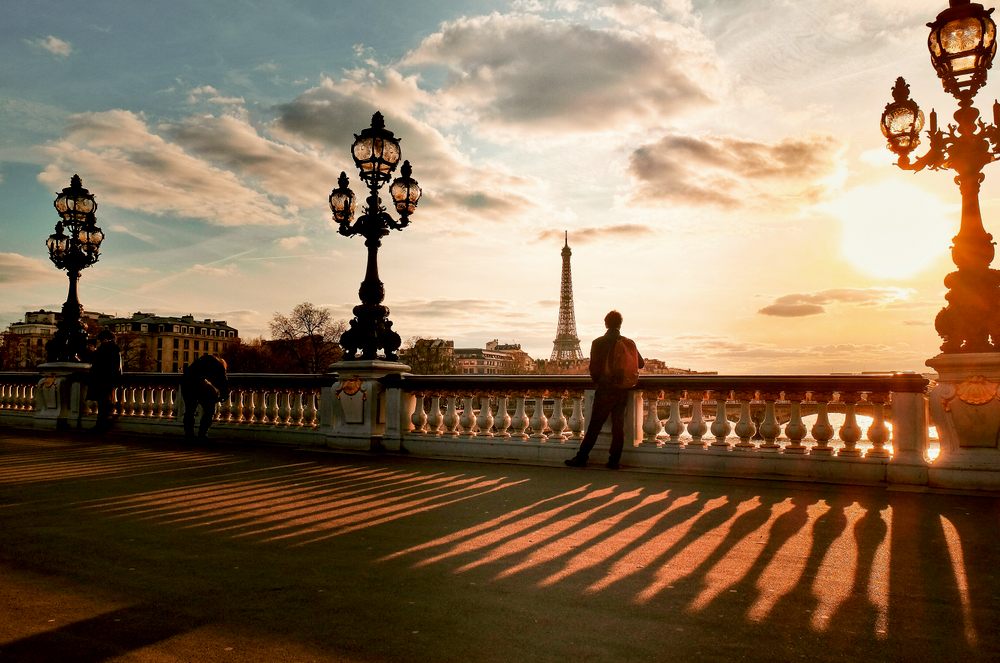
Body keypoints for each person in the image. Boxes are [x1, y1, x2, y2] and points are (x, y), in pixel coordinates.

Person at [565, 310, 644, 470]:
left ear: (606, 324)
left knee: (594, 426)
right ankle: (613, 461)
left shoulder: (598, 343)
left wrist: (601, 382)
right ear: (620, 324)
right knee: (618, 426)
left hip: (605, 388)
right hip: (622, 389)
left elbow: (594, 369)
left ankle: (582, 457)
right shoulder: (627, 342)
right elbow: (640, 364)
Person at [181, 354, 229, 440]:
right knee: (209, 409)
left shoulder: (203, 361)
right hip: (197, 384)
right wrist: (223, 395)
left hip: (186, 383)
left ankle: (189, 435)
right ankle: (202, 435)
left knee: (190, 410)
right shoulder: (219, 367)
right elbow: (223, 383)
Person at [88, 330, 122, 432]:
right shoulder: (114, 348)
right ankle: (100, 425)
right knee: (104, 404)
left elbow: (100, 362)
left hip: (103, 379)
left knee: (103, 404)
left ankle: (100, 426)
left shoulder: (106, 349)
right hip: (108, 379)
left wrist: (94, 352)